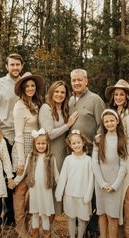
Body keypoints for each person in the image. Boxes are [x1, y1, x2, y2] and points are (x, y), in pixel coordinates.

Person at [0, 53, 24, 229]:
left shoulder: (25, 83)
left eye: (18, 64)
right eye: (12, 64)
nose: (15, 67)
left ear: (21, 66)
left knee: (15, 179)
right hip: (3, 137)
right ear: (7, 66)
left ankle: (11, 219)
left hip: (21, 139)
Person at [69, 68, 105, 238]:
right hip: (75, 155)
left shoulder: (95, 99)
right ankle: (78, 227)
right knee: (78, 190)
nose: (76, 83)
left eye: (80, 80)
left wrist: (97, 145)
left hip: (91, 153)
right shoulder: (70, 101)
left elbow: (102, 125)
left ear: (86, 81)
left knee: (92, 192)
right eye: (74, 80)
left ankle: (93, 230)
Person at [9, 128, 59, 238]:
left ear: (47, 144)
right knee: (35, 213)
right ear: (34, 144)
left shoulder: (51, 157)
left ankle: (47, 237)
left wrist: (61, 188)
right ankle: (35, 237)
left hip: (46, 190)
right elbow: (24, 172)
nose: (41, 146)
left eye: (43, 143)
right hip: (35, 190)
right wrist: (15, 182)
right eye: (38, 143)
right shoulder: (31, 156)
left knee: (46, 215)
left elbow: (57, 175)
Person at [105, 79, 129, 238]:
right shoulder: (111, 112)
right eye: (116, 94)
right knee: (115, 197)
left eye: (121, 94)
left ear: (127, 96)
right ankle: (117, 235)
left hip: (127, 160)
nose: (118, 97)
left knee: (127, 198)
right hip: (113, 161)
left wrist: (125, 161)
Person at [11, 72, 45, 238]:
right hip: (22, 147)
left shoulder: (35, 104)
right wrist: (20, 159)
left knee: (32, 186)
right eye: (27, 86)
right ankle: (19, 226)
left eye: (32, 86)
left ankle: (30, 223)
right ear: (22, 89)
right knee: (21, 188)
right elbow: (18, 134)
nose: (30, 88)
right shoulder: (19, 106)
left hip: (34, 146)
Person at [39, 80, 78, 216]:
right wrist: (67, 125)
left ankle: (49, 230)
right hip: (50, 153)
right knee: (47, 187)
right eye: (57, 91)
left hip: (62, 153)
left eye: (62, 92)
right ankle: (39, 229)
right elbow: (48, 134)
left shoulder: (65, 109)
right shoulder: (46, 108)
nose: (59, 94)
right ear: (51, 92)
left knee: (58, 188)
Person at [92, 109, 127, 238]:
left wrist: (115, 184)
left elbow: (123, 165)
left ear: (117, 121)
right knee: (102, 214)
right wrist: (101, 182)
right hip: (101, 183)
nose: (109, 123)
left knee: (112, 215)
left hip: (114, 185)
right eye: (106, 121)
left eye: (112, 120)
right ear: (103, 123)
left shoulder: (121, 139)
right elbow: (95, 162)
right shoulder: (99, 139)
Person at [55, 130, 94, 238]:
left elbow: (91, 179)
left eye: (78, 142)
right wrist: (59, 193)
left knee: (82, 218)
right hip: (70, 194)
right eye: (74, 143)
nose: (76, 145)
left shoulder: (88, 160)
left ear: (83, 143)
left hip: (83, 195)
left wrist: (88, 195)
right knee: (71, 217)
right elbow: (63, 177)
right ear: (70, 145)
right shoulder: (68, 160)